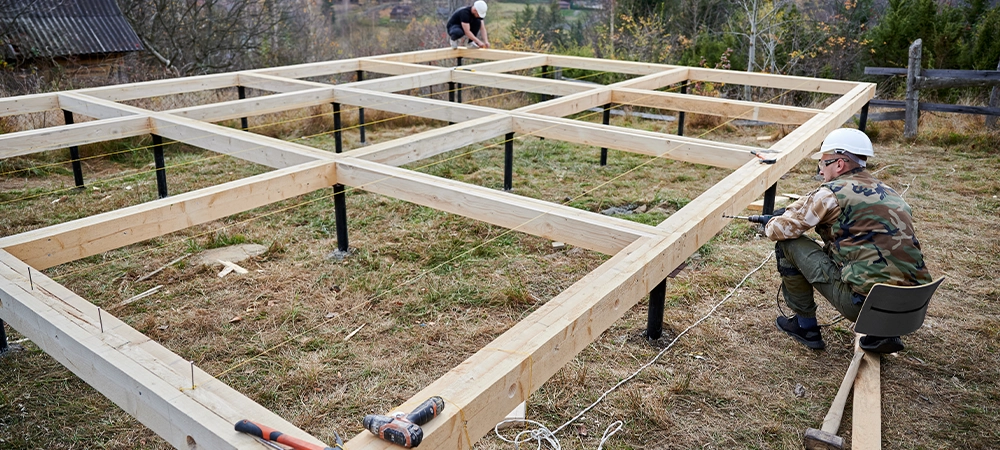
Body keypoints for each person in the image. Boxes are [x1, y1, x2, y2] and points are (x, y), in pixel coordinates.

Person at [764, 128, 932, 353]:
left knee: (788, 245)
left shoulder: (830, 193)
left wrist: (773, 220)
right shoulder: (890, 192)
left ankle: (806, 328)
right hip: (913, 305)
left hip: (865, 304)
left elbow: (781, 230)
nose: (821, 171)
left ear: (840, 164)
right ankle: (882, 332)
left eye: (823, 164)